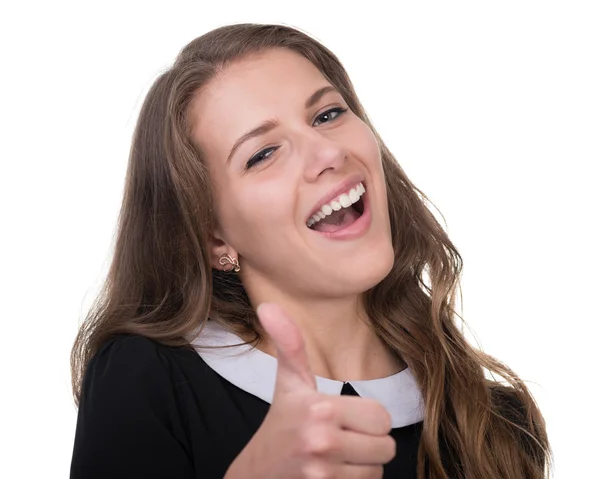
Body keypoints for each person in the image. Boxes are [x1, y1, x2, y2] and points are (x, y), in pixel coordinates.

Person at [69, 23, 552, 479]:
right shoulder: (146, 381)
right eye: (262, 153)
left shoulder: (499, 427)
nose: (327, 153)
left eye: (328, 115)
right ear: (216, 239)